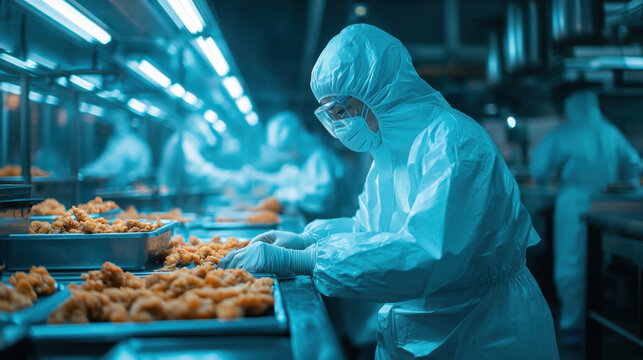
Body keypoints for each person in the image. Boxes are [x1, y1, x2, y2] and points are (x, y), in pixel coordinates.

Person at [220, 24, 559, 359]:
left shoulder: (454, 144)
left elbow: (426, 254)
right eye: (331, 116)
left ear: (379, 91)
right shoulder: (388, 152)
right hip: (424, 326)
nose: (338, 125)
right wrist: (308, 239)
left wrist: (304, 261)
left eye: (342, 111)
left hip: (482, 331)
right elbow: (374, 232)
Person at [530, 90, 641, 346]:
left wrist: (546, 185)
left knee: (571, 266)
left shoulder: (563, 133)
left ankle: (573, 327)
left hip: (575, 206)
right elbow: (635, 166)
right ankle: (598, 319)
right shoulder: (610, 132)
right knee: (599, 264)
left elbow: (538, 168)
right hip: (607, 205)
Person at [253, 111, 345, 216]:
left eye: (287, 149)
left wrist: (287, 194)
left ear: (297, 142)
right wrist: (255, 177)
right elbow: (281, 180)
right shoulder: (298, 163)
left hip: (330, 219)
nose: (285, 157)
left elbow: (321, 197)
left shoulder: (318, 157)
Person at [158, 114, 249, 191]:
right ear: (201, 136)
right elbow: (200, 175)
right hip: (173, 200)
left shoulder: (183, 140)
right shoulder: (183, 143)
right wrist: (236, 179)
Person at [80, 111, 151, 187]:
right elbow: (104, 161)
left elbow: (116, 170)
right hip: (112, 187)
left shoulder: (134, 144)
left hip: (128, 187)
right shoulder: (113, 141)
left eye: (118, 122)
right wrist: (86, 170)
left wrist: (94, 173)